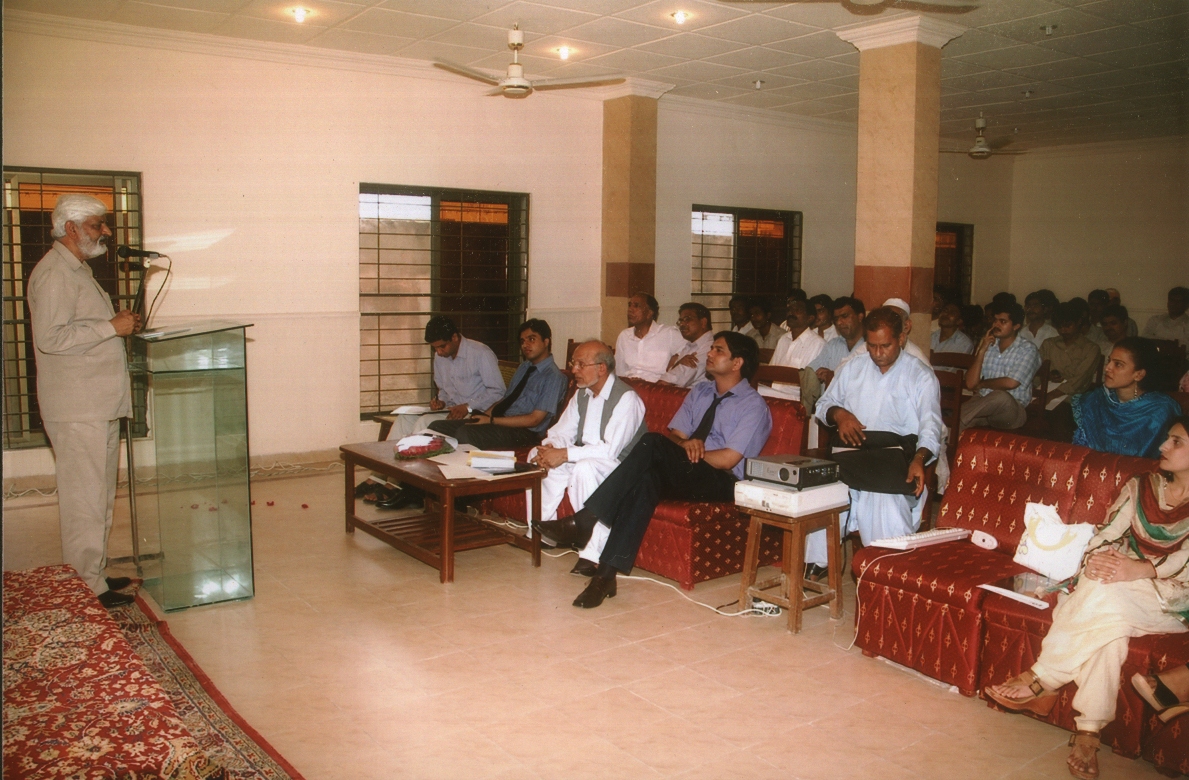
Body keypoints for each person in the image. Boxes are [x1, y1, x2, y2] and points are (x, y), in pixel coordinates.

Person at [985, 417, 1189, 780]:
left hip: (1175, 600)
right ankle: (1088, 735)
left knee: (1101, 598)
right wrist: (1099, 559)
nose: (1163, 447)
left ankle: (1042, 679)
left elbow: (1182, 566)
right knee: (1107, 617)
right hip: (1126, 588)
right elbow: (1107, 532)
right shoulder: (1142, 485)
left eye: (1176, 442)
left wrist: (1140, 568)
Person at [533, 332, 772, 608]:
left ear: (737, 362)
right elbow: (675, 437)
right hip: (689, 469)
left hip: (724, 482)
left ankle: (587, 520)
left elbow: (729, 459)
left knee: (651, 442)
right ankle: (605, 576)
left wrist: (695, 450)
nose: (709, 353)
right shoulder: (701, 392)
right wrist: (687, 446)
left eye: (718, 350)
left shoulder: (753, 404)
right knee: (647, 479)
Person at [28, 194, 140, 608]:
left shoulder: (76, 270)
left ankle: (93, 572)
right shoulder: (55, 273)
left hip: (96, 404)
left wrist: (111, 327)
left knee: (98, 496)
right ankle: (85, 587)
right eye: (97, 225)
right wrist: (110, 327)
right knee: (83, 499)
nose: (106, 231)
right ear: (71, 228)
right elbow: (51, 339)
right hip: (77, 409)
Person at [805, 307, 943, 576]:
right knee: (820, 489)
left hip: (897, 458)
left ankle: (885, 571)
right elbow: (824, 405)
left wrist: (919, 459)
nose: (878, 353)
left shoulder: (920, 375)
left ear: (901, 339)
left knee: (881, 498)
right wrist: (840, 414)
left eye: (885, 345)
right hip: (854, 452)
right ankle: (820, 562)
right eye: (872, 345)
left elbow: (931, 426)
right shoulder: (854, 367)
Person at [529, 340, 647, 575]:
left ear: (601, 368)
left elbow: (610, 451)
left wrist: (564, 454)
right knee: (536, 455)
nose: (574, 370)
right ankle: (544, 533)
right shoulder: (582, 394)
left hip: (622, 467)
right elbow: (562, 431)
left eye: (581, 364)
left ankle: (592, 553)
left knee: (585, 468)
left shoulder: (627, 399)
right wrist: (550, 448)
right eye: (574, 364)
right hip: (586, 456)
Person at [428, 319, 567, 450]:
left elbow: (535, 420)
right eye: (522, 341)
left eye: (532, 339)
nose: (525, 345)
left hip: (524, 433)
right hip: (502, 422)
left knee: (466, 433)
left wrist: (492, 421)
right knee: (436, 427)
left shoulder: (554, 377)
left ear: (546, 341)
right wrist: (483, 416)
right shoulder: (524, 367)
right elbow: (505, 399)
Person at [384, 316, 505, 441]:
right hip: (452, 412)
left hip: (477, 413)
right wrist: (441, 402)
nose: (439, 352)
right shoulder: (440, 357)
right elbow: (443, 390)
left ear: (454, 337)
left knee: (425, 421)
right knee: (404, 419)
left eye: (442, 346)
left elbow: (498, 392)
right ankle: (387, 456)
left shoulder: (481, 353)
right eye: (435, 348)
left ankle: (413, 456)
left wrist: (467, 407)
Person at [1071, 337, 1181, 459]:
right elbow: (1080, 450)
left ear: (1139, 374)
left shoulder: (1160, 410)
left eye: (1118, 364)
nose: (1107, 368)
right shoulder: (1094, 400)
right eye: (1109, 361)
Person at [960, 300, 1041, 432]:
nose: (996, 325)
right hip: (983, 404)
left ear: (1016, 326)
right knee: (961, 425)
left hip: (1011, 410)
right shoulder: (989, 345)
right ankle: (943, 448)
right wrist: (981, 351)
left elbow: (1011, 383)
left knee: (1000, 396)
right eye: (995, 320)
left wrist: (982, 384)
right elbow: (970, 384)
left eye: (1002, 322)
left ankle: (955, 418)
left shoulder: (1028, 349)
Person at [614, 293, 685, 383]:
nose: (630, 310)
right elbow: (620, 371)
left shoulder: (668, 333)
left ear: (649, 313)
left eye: (636, 306)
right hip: (630, 387)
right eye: (629, 305)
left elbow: (688, 353)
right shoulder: (624, 336)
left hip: (656, 388)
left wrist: (672, 366)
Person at [1041, 302, 1101, 398]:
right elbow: (1038, 371)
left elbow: (1080, 380)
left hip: (1073, 396)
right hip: (1046, 390)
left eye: (1068, 326)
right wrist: (1049, 375)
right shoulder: (1048, 344)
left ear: (1079, 322)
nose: (1063, 330)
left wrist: (1051, 396)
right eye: (1059, 327)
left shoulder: (1091, 348)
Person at [809, 296, 866, 386]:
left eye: (844, 316)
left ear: (860, 317)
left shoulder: (871, 346)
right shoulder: (833, 345)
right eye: (836, 319)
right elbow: (810, 372)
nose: (839, 322)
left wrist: (833, 377)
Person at [658, 302, 713, 387]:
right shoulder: (689, 346)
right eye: (680, 320)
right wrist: (678, 363)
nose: (682, 324)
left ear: (703, 322)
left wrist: (676, 365)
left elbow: (665, 382)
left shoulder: (710, 348)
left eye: (687, 319)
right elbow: (671, 373)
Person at [771, 298, 824, 369]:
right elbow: (772, 368)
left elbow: (809, 377)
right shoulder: (783, 339)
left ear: (810, 318)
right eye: (789, 310)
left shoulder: (818, 344)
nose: (790, 313)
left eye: (797, 310)